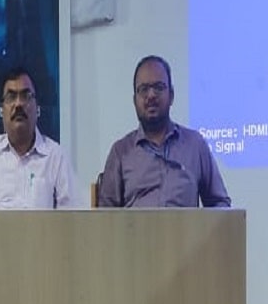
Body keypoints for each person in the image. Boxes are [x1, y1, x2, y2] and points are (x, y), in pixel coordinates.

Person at [97, 55, 231, 208]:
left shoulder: (195, 145)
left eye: (159, 87)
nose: (151, 95)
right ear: (134, 100)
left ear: (171, 96)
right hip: (136, 225)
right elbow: (105, 215)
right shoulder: (120, 152)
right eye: (144, 89)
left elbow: (220, 204)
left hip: (186, 225)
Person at [0, 67, 78, 209]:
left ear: (36, 107)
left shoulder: (56, 158)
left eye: (26, 96)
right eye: (11, 97)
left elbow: (72, 217)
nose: (18, 104)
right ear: (2, 110)